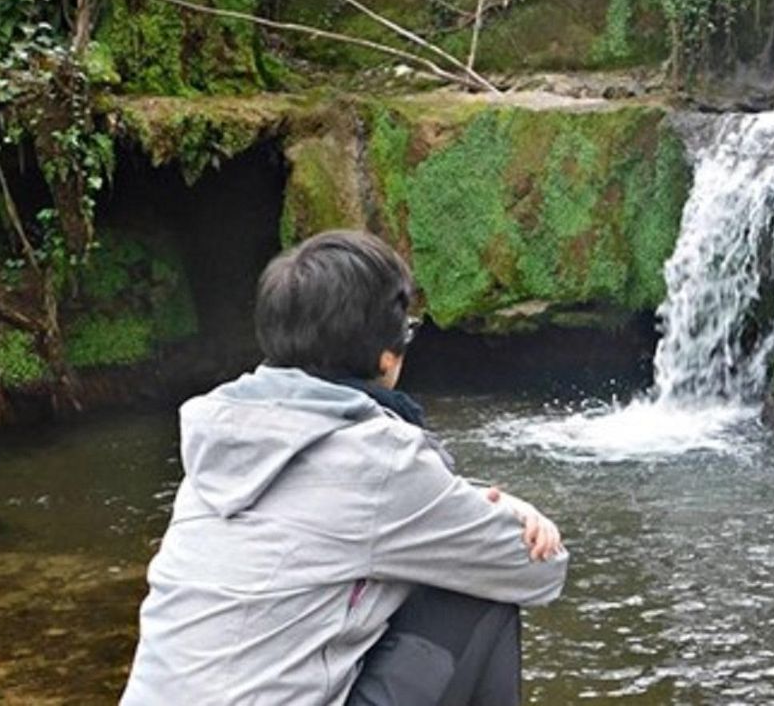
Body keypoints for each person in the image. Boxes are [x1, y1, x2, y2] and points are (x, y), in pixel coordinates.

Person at [121, 230, 568, 706]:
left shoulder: (221, 442)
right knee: (478, 590)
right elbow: (537, 572)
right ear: (385, 358)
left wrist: (462, 508)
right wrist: (509, 515)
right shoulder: (380, 456)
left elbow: (333, 515)